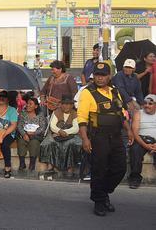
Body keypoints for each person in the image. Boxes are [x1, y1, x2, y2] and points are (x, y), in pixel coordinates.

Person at [78, 62, 133, 217]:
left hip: (116, 136)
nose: (100, 78)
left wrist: (129, 130)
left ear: (109, 76)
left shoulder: (115, 92)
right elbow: (82, 119)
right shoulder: (87, 93)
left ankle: (103, 192)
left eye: (103, 75)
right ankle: (99, 201)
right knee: (99, 170)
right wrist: (85, 139)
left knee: (120, 168)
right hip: (98, 137)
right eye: (97, 75)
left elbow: (122, 114)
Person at [39, 95, 81, 174]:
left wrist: (65, 132)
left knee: (71, 144)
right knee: (48, 143)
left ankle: (70, 169)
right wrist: (60, 131)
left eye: (68, 104)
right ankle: (50, 166)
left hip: (71, 135)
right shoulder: (56, 112)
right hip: (56, 134)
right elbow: (52, 126)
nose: (66, 106)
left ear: (72, 105)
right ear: (61, 105)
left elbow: (76, 128)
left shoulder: (75, 113)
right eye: (64, 104)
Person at [128, 94, 156, 189]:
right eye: (145, 103)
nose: (147, 105)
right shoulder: (138, 113)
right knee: (135, 150)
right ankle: (135, 178)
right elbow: (135, 133)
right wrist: (146, 146)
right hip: (141, 139)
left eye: (150, 103)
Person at [16, 98, 48, 171]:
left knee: (34, 143)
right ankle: (22, 163)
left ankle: (32, 164)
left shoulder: (40, 115)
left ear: (36, 106)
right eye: (27, 103)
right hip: (24, 135)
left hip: (36, 136)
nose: (28, 105)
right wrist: (24, 134)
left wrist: (34, 133)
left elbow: (43, 127)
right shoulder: (23, 113)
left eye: (30, 104)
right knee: (21, 142)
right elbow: (19, 126)